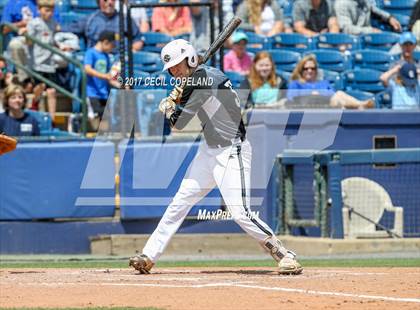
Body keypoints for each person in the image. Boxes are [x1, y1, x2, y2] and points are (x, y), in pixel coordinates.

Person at [128, 39, 303, 275]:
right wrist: (183, 94)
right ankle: (149, 255)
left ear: (190, 59)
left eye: (178, 65)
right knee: (180, 202)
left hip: (232, 150)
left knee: (240, 212)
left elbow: (178, 124)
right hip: (208, 149)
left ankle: (284, 254)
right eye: (171, 68)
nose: (174, 71)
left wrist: (170, 106)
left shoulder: (201, 79)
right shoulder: (204, 76)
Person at [2, 0, 61, 81]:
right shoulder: (14, 3)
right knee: (15, 44)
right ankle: (25, 80)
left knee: (66, 56)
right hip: (23, 37)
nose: (50, 12)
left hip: (45, 38)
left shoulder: (47, 3)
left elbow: (57, 27)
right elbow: (4, 29)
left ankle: (49, 83)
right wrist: (22, 24)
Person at [288, 55, 374, 109]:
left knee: (339, 96)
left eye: (313, 68)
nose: (309, 71)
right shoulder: (296, 83)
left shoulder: (323, 83)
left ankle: (360, 106)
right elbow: (291, 97)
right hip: (309, 108)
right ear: (301, 70)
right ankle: (360, 104)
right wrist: (310, 93)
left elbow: (332, 94)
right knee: (338, 100)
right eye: (306, 69)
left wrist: (319, 93)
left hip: (327, 106)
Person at [26, 0, 60, 120]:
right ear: (39, 10)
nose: (49, 13)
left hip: (50, 63)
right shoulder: (34, 24)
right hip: (37, 63)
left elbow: (53, 40)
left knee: (52, 91)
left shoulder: (53, 23)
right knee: (39, 87)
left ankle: (52, 119)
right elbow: (28, 42)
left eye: (51, 11)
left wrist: (59, 46)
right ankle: (34, 104)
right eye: (46, 10)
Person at [63, 0, 143, 51]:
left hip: (120, 60)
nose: (110, 2)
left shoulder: (125, 19)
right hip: (96, 59)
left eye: (112, 0)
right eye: (105, 0)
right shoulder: (90, 19)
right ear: (99, 1)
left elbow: (138, 40)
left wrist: (131, 51)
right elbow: (67, 29)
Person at [84, 31, 120, 122]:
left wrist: (119, 84)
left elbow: (109, 76)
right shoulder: (90, 53)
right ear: (105, 42)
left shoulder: (106, 56)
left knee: (106, 118)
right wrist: (104, 76)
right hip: (92, 93)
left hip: (103, 92)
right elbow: (87, 69)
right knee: (96, 116)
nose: (113, 48)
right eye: (112, 45)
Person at [334, 0, 402, 35]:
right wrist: (369, 30)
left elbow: (373, 10)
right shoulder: (341, 3)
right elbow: (346, 29)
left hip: (368, 38)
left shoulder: (364, 1)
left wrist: (389, 18)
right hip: (350, 42)